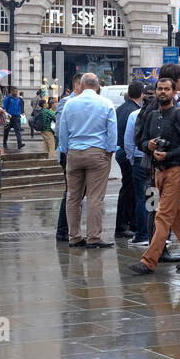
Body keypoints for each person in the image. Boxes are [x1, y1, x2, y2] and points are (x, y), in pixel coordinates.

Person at [129, 66, 180, 275]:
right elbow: (142, 141)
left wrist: (169, 154)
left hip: (175, 171)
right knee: (177, 217)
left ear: (174, 93)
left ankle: (148, 261)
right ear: (155, 92)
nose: (162, 92)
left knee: (162, 215)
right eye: (160, 89)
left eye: (166, 89)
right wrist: (150, 146)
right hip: (156, 172)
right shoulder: (153, 115)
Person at [57, 72, 118, 248]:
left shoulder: (70, 103)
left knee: (73, 197)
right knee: (94, 197)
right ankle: (94, 238)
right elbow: (112, 131)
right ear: (97, 86)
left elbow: (63, 131)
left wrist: (66, 150)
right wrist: (110, 151)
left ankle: (74, 236)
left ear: (81, 86)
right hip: (97, 152)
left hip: (74, 152)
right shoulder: (106, 103)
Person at [114, 82, 145, 240]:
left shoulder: (121, 108)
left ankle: (130, 222)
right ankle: (123, 225)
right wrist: (131, 156)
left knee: (129, 189)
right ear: (141, 95)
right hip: (127, 152)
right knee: (129, 190)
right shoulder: (134, 111)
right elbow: (131, 137)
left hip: (121, 150)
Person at [122, 98, 151, 247]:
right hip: (156, 160)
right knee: (153, 197)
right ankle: (157, 234)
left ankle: (143, 234)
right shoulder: (161, 114)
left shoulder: (135, 114)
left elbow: (128, 140)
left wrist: (132, 158)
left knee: (141, 198)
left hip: (140, 159)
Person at [1, 85, 26, 150]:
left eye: (17, 91)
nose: (16, 93)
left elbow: (21, 106)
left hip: (17, 117)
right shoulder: (8, 98)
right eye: (14, 91)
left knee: (18, 131)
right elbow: (4, 108)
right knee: (6, 131)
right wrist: (6, 114)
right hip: (9, 117)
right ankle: (4, 142)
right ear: (11, 91)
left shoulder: (19, 99)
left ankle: (19, 144)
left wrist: (21, 112)